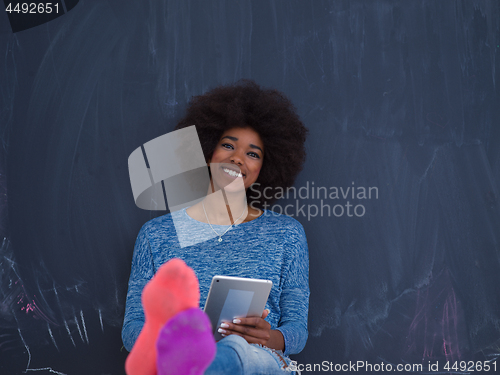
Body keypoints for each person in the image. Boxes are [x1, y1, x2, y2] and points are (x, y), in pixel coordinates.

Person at [122, 79, 309, 374]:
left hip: (260, 363)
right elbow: (133, 328)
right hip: (183, 362)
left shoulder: (287, 234)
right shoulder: (156, 235)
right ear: (207, 151)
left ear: (265, 168)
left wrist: (268, 337)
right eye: (227, 145)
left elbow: (297, 330)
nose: (237, 157)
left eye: (253, 153)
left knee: (237, 351)